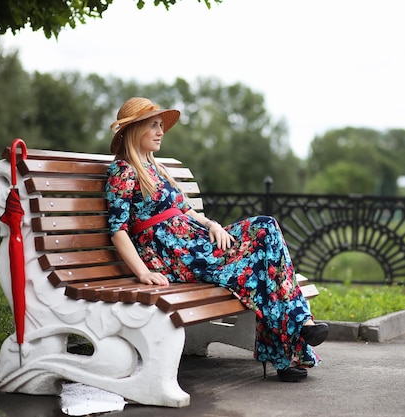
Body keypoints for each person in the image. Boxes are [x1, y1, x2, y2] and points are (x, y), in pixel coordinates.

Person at [105, 97, 328, 382]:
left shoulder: (157, 169)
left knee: (266, 228)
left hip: (194, 240)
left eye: (161, 125)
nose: (161, 131)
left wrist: (213, 225)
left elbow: (186, 211)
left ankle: (294, 342)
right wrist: (143, 272)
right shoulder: (123, 171)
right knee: (261, 266)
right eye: (153, 125)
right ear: (134, 130)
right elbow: (118, 229)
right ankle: (295, 339)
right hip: (172, 252)